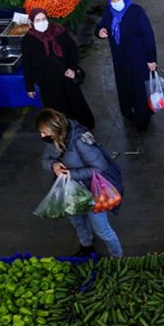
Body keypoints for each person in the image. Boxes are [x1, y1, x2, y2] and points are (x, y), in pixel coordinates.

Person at [38, 108, 124, 257]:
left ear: (56, 129)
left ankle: (118, 257)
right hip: (71, 191)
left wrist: (72, 173)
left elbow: (101, 167)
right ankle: (86, 247)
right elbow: (45, 159)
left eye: (45, 132)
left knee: (102, 230)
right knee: (78, 222)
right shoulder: (52, 141)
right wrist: (53, 165)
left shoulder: (80, 141)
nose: (42, 136)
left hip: (92, 192)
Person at [96, 0, 157, 131]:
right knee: (125, 87)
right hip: (120, 61)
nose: (116, 2)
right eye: (113, 0)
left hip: (138, 60)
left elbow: (148, 37)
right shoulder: (109, 13)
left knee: (139, 90)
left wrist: (151, 60)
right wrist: (100, 31)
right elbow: (101, 26)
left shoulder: (136, 12)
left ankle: (142, 120)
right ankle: (128, 113)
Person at [23, 9, 95, 129]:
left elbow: (73, 50)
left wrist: (72, 68)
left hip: (66, 76)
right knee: (56, 107)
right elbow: (27, 64)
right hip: (47, 82)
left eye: (43, 19)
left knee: (74, 103)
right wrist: (29, 86)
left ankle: (82, 126)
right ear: (31, 22)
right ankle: (61, 130)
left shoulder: (59, 32)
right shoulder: (28, 40)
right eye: (37, 20)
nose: (41, 22)